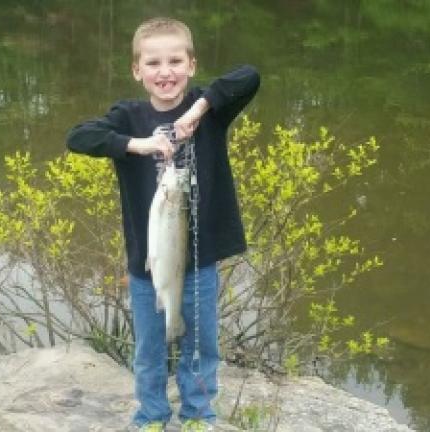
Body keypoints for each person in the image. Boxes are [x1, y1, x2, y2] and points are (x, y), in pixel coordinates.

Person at [66, 16, 259, 432]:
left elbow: (249, 77)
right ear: (137, 71)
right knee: (150, 349)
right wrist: (137, 145)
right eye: (153, 63)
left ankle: (198, 415)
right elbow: (78, 137)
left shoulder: (210, 113)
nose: (165, 71)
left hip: (200, 263)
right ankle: (151, 415)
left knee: (201, 347)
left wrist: (200, 108)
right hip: (147, 265)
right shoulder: (127, 117)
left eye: (175, 61)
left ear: (191, 65)